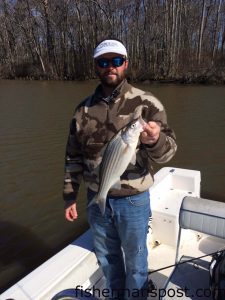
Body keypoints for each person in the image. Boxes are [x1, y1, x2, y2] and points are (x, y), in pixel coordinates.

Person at [63, 38, 177, 300]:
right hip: (97, 196)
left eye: (116, 61)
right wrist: (70, 195)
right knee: (107, 258)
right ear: (96, 66)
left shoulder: (147, 103)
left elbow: (168, 152)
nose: (110, 67)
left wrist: (155, 140)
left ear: (125, 64)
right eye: (104, 62)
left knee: (136, 259)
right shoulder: (82, 110)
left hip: (133, 201)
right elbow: (72, 156)